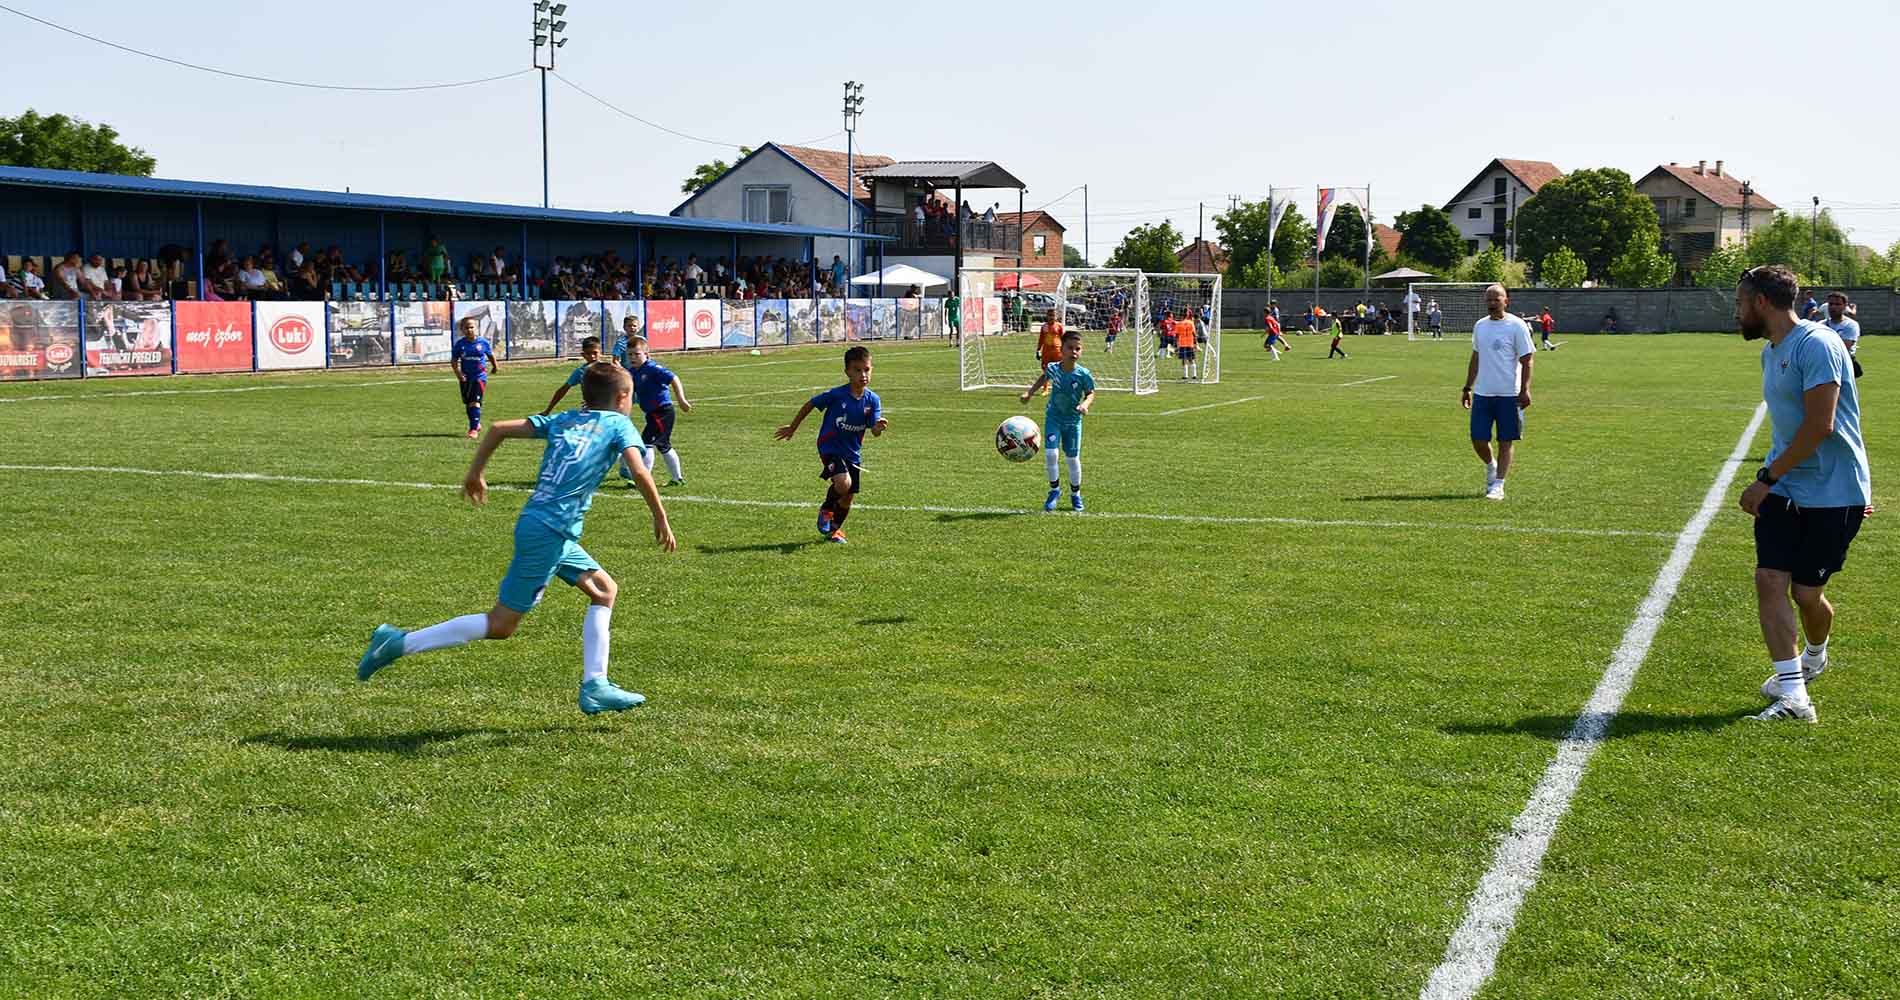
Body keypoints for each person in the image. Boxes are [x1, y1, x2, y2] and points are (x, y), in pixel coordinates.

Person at [355, 362, 676, 714]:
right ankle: (398, 643)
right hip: (549, 532)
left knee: (604, 590)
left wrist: (476, 473)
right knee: (501, 625)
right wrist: (660, 516)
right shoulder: (618, 424)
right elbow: (639, 470)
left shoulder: (565, 419)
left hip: (546, 527)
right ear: (624, 397)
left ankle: (596, 684)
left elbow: (497, 428)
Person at [1734, 264, 1871, 724]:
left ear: (1761, 302)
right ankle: (1794, 693)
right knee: (1769, 579)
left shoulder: (1817, 344)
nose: (1736, 313)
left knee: (1808, 594)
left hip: (1834, 490)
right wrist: (1773, 481)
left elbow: (1820, 425)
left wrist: (1765, 478)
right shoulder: (1771, 351)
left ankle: (1814, 654)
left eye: (1740, 303)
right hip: (1786, 487)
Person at [773, 345, 888, 545]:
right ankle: (826, 509)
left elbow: (874, 431)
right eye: (857, 370)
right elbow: (810, 404)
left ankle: (833, 531)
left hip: (852, 453)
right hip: (830, 446)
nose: (863, 375)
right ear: (847, 372)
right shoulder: (837, 395)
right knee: (843, 483)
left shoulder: (873, 400)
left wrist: (878, 428)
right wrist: (792, 427)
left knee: (848, 497)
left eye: (866, 369)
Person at [1460, 283, 1534, 501]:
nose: (1492, 303)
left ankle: (1499, 485)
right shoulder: (1480, 326)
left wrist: (1525, 390)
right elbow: (1476, 356)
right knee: (1478, 438)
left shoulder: (1517, 326)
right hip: (1483, 394)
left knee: (1506, 440)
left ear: (1506, 301)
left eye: (1496, 299)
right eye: (1489, 300)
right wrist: (1467, 387)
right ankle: (1491, 465)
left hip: (1509, 395)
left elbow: (1527, 359)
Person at [1020, 329, 1095, 512]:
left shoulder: (1083, 374)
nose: (1074, 352)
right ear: (1062, 349)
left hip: (1073, 422)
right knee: (1051, 454)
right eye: (1070, 348)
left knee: (1072, 459)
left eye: (1078, 348)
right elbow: (1043, 378)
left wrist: (1085, 404)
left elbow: (1090, 393)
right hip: (1054, 418)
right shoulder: (1053, 368)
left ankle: (1076, 494)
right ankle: (1054, 491)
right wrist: (1030, 393)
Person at [621, 334, 694, 487]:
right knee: (663, 445)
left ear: (646, 355)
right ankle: (677, 479)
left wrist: (681, 399)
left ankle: (642, 480)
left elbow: (674, 378)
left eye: (636, 354)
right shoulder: (632, 372)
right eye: (630, 355)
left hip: (662, 412)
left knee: (646, 442)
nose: (633, 358)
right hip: (652, 413)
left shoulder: (653, 368)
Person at [450, 316, 498, 439]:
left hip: (479, 377)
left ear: (476, 328)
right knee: (468, 403)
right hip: (465, 378)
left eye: (471, 327)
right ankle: (476, 423)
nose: (469, 330)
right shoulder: (460, 344)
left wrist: (495, 366)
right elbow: (454, 360)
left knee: (474, 402)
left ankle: (473, 430)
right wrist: (458, 374)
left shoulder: (483, 342)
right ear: (462, 330)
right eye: (466, 328)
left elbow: (490, 355)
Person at [541, 336, 603, 415]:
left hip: (608, 409)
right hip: (589, 410)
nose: (592, 356)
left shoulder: (609, 369)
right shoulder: (580, 371)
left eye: (595, 353)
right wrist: (547, 410)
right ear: (583, 355)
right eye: (588, 353)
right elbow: (563, 390)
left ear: (600, 352)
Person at [1821, 291, 1862, 379]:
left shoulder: (1851, 325)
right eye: (1831, 304)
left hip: (1843, 365)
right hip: (1824, 365)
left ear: (1845, 306)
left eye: (1837, 304)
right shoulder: (1820, 324)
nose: (1833, 307)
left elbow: (1844, 347)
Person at [1035, 310, 1064, 390]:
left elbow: (1063, 338)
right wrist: (1038, 350)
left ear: (1056, 317)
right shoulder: (1044, 326)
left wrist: (1064, 349)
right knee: (1046, 369)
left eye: (1053, 315)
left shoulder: (1059, 326)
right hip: (1046, 351)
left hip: (1057, 350)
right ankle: (1045, 389)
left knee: (1059, 369)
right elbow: (1041, 339)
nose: (1051, 317)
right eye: (1050, 315)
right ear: (1047, 316)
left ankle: (1059, 387)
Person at [1179, 310, 1202, 380]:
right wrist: (1196, 343)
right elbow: (1194, 334)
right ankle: (1194, 375)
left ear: (1182, 316)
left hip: (1182, 344)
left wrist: (1176, 345)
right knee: (1191, 359)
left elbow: (1177, 335)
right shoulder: (1191, 323)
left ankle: (1185, 375)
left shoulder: (1180, 323)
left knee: (1184, 359)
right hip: (1190, 343)